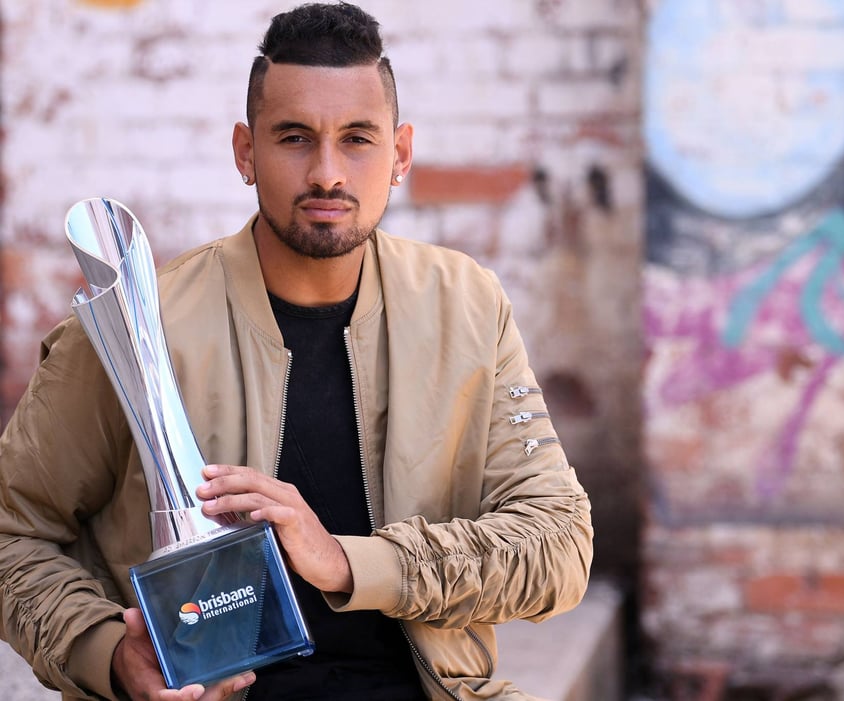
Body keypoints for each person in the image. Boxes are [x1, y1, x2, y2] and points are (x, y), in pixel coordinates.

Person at [0, 3, 593, 700]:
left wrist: (347, 559)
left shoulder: (466, 305)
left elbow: (557, 544)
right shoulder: (137, 326)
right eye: (294, 137)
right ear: (245, 152)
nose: (327, 174)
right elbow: (14, 534)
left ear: (400, 154)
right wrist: (109, 655)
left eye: (358, 139)